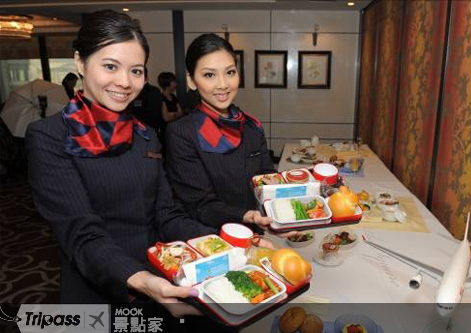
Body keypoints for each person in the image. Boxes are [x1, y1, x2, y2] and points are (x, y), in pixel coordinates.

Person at [26, 10, 217, 314]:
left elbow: (166, 215)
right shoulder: (48, 136)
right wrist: (140, 280)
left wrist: (225, 241)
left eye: (136, 71)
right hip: (98, 291)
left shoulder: (145, 135)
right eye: (110, 66)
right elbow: (82, 233)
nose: (125, 82)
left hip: (160, 281)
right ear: (80, 62)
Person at [165, 34, 286, 235]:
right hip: (213, 242)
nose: (223, 84)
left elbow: (266, 179)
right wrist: (246, 215)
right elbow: (199, 204)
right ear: (191, 81)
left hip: (256, 234)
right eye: (209, 75)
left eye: (230, 72)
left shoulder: (251, 127)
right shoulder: (182, 133)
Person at [130, 68, 165, 139]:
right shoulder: (131, 91)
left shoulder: (152, 91)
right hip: (133, 133)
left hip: (148, 133)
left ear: (145, 77)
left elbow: (153, 114)